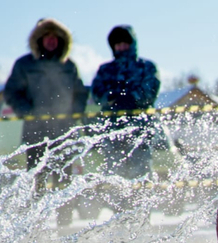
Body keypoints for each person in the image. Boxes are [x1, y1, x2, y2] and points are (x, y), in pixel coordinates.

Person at [4, 18, 89, 226]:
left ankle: (65, 226)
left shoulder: (69, 66)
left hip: (64, 132)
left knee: (64, 180)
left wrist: (74, 112)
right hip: (35, 132)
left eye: (55, 37)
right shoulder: (25, 64)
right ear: (39, 40)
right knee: (36, 181)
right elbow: (12, 91)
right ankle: (35, 226)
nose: (51, 41)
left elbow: (80, 93)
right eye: (46, 37)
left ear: (61, 41)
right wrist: (28, 111)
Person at [91, 25, 161, 180]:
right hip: (112, 130)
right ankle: (114, 203)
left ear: (132, 43)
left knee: (141, 173)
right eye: (117, 43)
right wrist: (112, 97)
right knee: (114, 172)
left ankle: (142, 201)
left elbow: (150, 90)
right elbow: (97, 92)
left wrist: (132, 98)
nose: (121, 46)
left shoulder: (146, 67)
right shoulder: (105, 70)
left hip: (140, 129)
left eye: (125, 42)